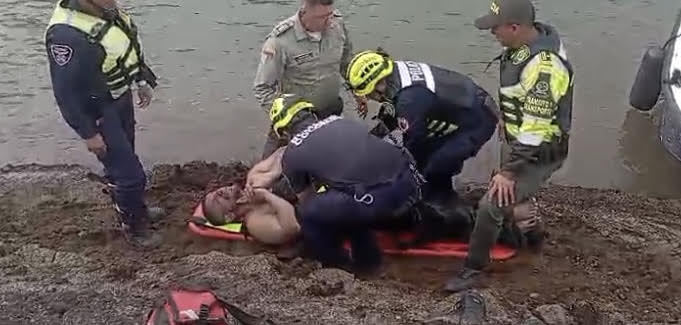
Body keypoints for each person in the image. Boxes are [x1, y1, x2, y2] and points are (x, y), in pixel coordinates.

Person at [444, 0, 575, 292]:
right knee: (513, 196)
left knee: (492, 203)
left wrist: (509, 172)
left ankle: (473, 269)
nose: (492, 32)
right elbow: (522, 98)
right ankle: (532, 236)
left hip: (539, 149)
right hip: (520, 138)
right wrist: (507, 117)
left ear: (515, 27)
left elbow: (536, 129)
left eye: (496, 27)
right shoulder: (525, 44)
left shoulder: (544, 68)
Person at [45, 0, 163, 248]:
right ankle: (133, 227)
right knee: (130, 173)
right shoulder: (67, 35)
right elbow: (65, 91)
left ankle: (137, 207)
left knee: (127, 161)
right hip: (98, 111)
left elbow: (126, 49)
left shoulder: (107, 12)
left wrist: (141, 80)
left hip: (119, 100)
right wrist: (88, 133)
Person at [258, 94, 422, 274]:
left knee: (312, 214)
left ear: (284, 131)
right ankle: (372, 258)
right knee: (345, 198)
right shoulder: (341, 121)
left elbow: (307, 199)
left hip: (377, 200)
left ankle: (340, 267)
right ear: (311, 113)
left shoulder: (291, 154)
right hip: (411, 181)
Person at [345, 50, 498, 203]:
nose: (368, 98)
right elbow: (392, 116)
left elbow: (412, 144)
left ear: (379, 85)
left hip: (478, 119)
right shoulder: (395, 72)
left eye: (368, 93)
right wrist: (367, 142)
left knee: (434, 166)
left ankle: (441, 206)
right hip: (464, 100)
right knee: (423, 157)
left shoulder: (409, 100)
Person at [252, 0, 359, 159]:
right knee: (269, 168)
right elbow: (262, 89)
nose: (329, 21)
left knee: (327, 165)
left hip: (329, 111)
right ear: (304, 12)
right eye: (322, 17)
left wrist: (358, 90)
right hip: (295, 119)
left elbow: (347, 62)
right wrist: (289, 118)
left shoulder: (337, 25)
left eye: (330, 14)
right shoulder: (280, 41)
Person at [201, 147, 301, 246]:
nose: (220, 191)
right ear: (229, 217)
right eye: (216, 199)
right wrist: (267, 196)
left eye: (216, 191)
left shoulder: (254, 178)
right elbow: (291, 228)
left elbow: (284, 151)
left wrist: (273, 175)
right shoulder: (255, 223)